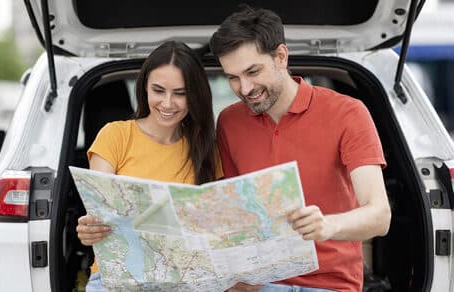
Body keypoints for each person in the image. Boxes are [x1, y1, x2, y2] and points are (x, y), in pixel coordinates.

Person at [210, 5, 391, 292]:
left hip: (330, 286)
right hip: (258, 284)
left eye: (253, 71)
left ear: (281, 56)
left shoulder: (347, 113)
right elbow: (234, 213)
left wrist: (327, 226)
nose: (244, 88)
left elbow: (380, 216)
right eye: (232, 77)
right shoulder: (230, 122)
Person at [75, 40, 223, 291]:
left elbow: (218, 226)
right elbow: (99, 212)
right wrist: (89, 229)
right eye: (158, 90)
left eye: (180, 93)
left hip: (185, 281)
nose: (167, 103)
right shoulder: (115, 136)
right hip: (119, 280)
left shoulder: (206, 149)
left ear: (195, 95)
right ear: (144, 88)